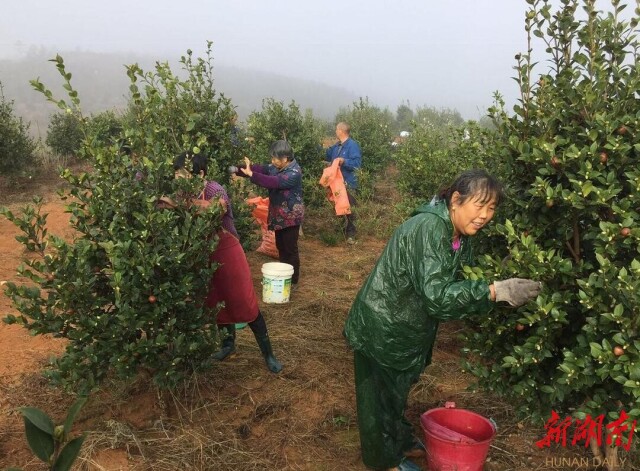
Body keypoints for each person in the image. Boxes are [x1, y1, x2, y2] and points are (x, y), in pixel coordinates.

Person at [343, 169, 542, 471]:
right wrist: (493, 291)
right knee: (377, 401)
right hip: (382, 327)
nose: (485, 215)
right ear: (456, 200)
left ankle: (398, 438)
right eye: (480, 205)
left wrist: (493, 285)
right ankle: (383, 461)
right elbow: (438, 297)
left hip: (406, 327)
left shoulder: (458, 234)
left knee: (395, 393)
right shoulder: (430, 228)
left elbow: (460, 281)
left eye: (491, 208)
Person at [170, 151, 283, 374]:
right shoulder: (182, 191)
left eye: (182, 174)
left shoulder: (214, 188)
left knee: (245, 303)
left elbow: (217, 208)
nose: (177, 179)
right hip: (204, 254)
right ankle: (227, 345)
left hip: (227, 251)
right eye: (176, 174)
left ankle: (268, 354)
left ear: (199, 173)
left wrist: (179, 203)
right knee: (216, 302)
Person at [239, 140, 304, 285]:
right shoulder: (276, 167)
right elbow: (262, 169)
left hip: (290, 217)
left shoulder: (294, 173)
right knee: (281, 246)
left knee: (290, 249)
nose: (272, 161)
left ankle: (292, 281)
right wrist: (241, 169)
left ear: (285, 159)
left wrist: (251, 175)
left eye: (275, 158)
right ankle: (284, 275)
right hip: (279, 215)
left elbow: (272, 181)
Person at [325, 122, 362, 244]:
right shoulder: (336, 146)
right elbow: (326, 154)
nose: (335, 131)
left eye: (336, 129)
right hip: (336, 185)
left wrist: (344, 161)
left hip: (348, 183)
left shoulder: (352, 145)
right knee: (337, 208)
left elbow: (357, 164)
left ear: (341, 130)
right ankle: (339, 232)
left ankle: (351, 235)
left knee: (350, 209)